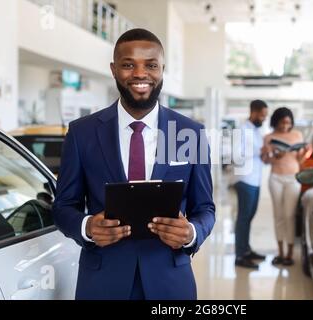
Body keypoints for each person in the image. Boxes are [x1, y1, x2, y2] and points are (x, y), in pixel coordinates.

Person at [52, 28, 215, 300]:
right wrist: (87, 227)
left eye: (151, 65)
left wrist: (191, 233)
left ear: (163, 69)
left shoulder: (189, 133)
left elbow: (205, 208)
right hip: (102, 282)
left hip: (170, 282)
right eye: (128, 65)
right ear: (114, 70)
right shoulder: (82, 133)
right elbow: (63, 207)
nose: (140, 74)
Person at [262, 107, 309, 266]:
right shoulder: (269, 137)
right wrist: (274, 155)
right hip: (275, 177)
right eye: (282, 123)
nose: (285, 126)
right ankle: (280, 252)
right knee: (278, 216)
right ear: (276, 122)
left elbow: (300, 161)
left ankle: (290, 253)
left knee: (289, 216)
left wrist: (305, 152)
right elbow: (266, 161)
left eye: (288, 123)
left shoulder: (297, 135)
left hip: (293, 178)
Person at [233, 100, 268, 269]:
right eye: (262, 115)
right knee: (243, 218)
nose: (263, 118)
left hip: (256, 179)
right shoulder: (242, 130)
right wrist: (258, 152)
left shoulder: (256, 131)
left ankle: (246, 249)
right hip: (245, 179)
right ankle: (240, 256)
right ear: (253, 112)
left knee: (249, 217)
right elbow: (236, 155)